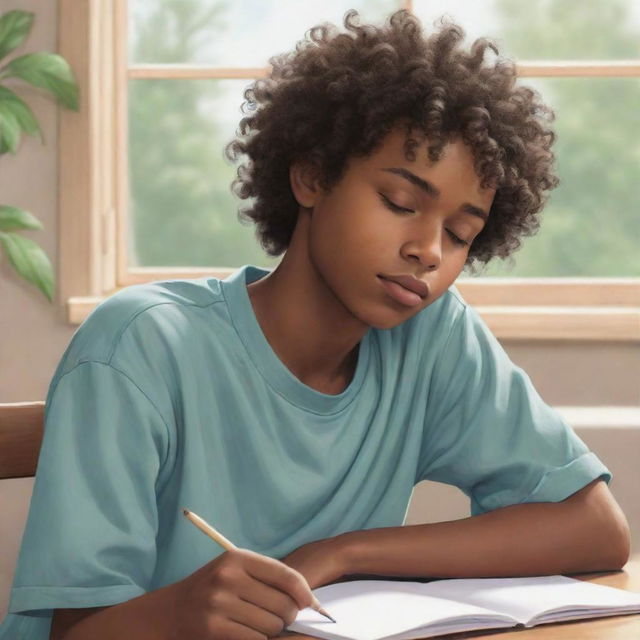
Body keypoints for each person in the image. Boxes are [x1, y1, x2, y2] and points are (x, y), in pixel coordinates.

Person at [0, 8, 630, 640]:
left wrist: (343, 554)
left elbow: (595, 528)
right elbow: (70, 631)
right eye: (401, 203)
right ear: (310, 176)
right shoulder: (140, 347)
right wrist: (181, 613)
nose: (429, 250)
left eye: (461, 232)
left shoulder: (431, 337)